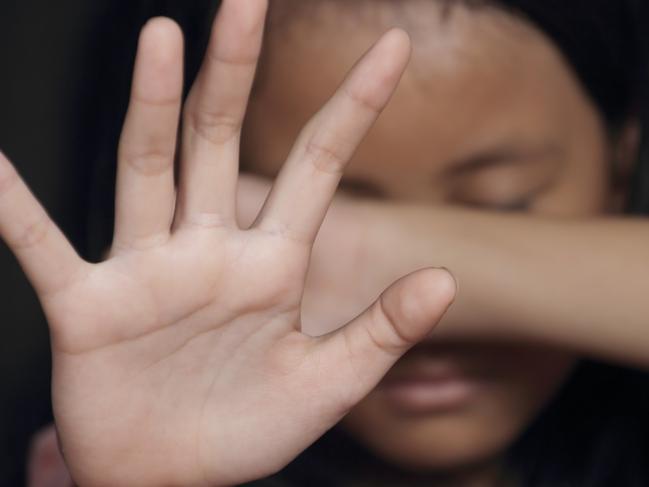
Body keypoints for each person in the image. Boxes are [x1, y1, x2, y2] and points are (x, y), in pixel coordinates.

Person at [15, 0, 649, 485]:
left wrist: (358, 251)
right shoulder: (98, 462)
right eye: (317, 216)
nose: (416, 319)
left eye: (499, 206)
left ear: (622, 165)